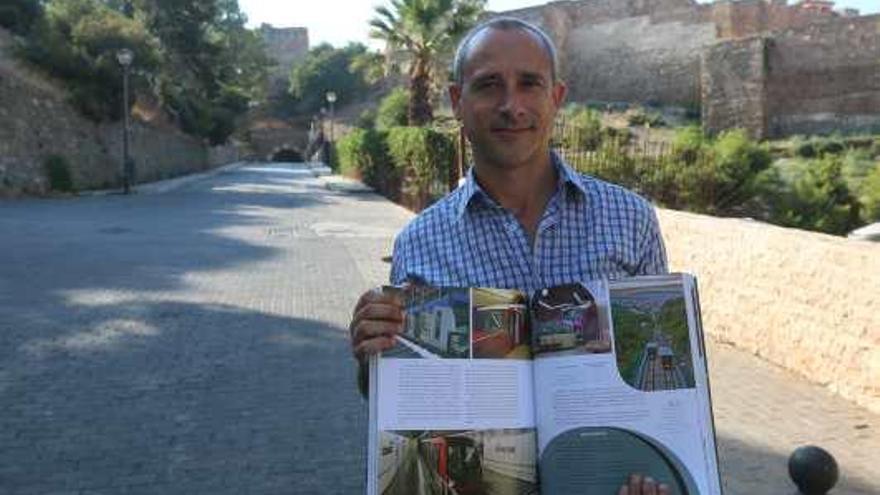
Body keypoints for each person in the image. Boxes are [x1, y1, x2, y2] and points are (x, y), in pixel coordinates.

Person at [349, 17, 670, 495]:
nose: (511, 105)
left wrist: (657, 475)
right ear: (458, 102)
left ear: (556, 98)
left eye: (529, 84)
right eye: (489, 85)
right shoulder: (419, 241)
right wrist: (369, 355)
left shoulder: (632, 220)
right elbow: (400, 395)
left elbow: (660, 397)